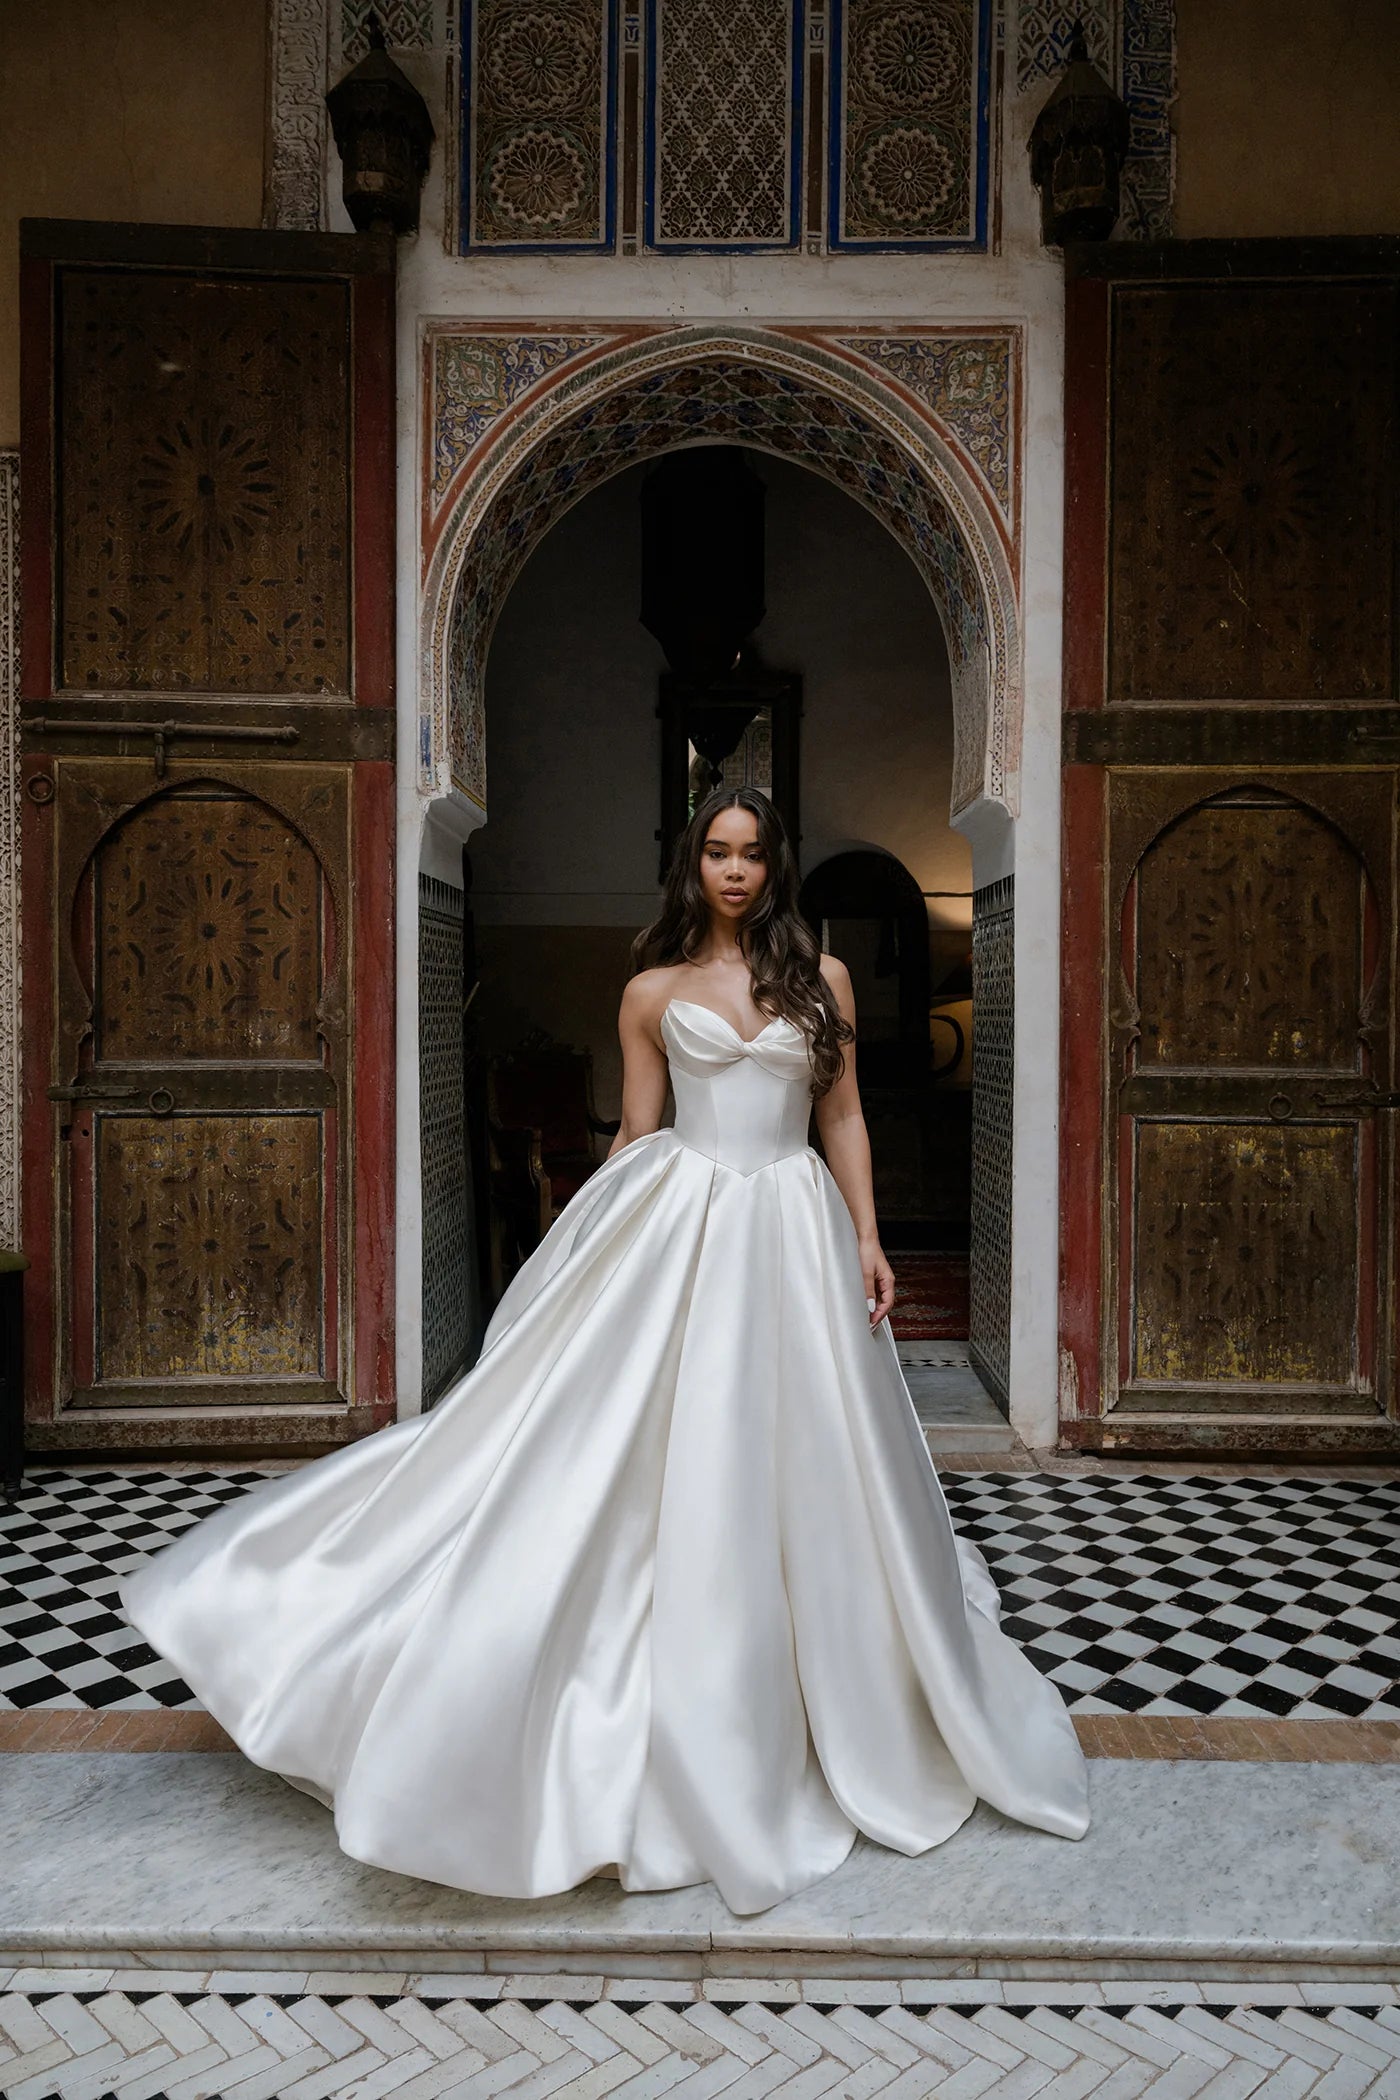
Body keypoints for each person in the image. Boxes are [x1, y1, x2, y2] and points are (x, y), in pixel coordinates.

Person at [119, 785, 1090, 1918]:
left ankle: (814, 1681)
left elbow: (842, 1119)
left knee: (808, 1456)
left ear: (776, 868)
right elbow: (637, 1134)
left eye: (752, 855)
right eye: (717, 853)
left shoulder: (816, 983)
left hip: (789, 1226)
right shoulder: (649, 991)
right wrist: (575, 1247)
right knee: (627, 1448)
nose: (735, 872)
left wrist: (868, 1238)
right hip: (680, 1220)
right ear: (694, 865)